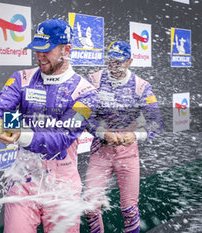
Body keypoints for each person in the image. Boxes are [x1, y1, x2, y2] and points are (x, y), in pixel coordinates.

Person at [0, 18, 99, 233]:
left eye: (47, 50)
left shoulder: (87, 93)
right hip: (23, 181)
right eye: (37, 49)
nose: (40, 55)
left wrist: (20, 135)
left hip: (63, 188)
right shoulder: (22, 78)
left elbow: (61, 139)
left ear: (67, 49)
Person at [84, 40, 163, 233]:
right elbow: (83, 117)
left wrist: (135, 135)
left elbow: (156, 123)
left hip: (127, 154)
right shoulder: (93, 80)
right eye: (110, 61)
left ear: (129, 61)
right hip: (100, 152)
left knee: (129, 209)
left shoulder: (141, 86)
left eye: (118, 62)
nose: (113, 67)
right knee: (90, 207)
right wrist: (103, 133)